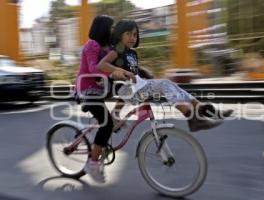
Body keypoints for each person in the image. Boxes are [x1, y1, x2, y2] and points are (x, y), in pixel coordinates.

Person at [97, 19, 233, 132]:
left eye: (134, 34)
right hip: (128, 90)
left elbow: (134, 70)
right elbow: (102, 65)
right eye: (128, 34)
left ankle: (202, 109)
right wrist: (122, 71)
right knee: (164, 84)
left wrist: (143, 73)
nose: (132, 38)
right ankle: (191, 117)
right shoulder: (116, 51)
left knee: (171, 84)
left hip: (137, 87)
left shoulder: (132, 53)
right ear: (119, 35)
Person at [75, 15, 133, 183]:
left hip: (102, 86)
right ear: (103, 29)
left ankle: (115, 115)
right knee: (106, 126)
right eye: (111, 27)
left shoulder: (108, 47)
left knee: (128, 89)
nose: (113, 30)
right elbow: (94, 67)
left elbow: (116, 64)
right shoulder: (91, 45)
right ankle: (92, 164)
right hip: (88, 90)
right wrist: (115, 73)